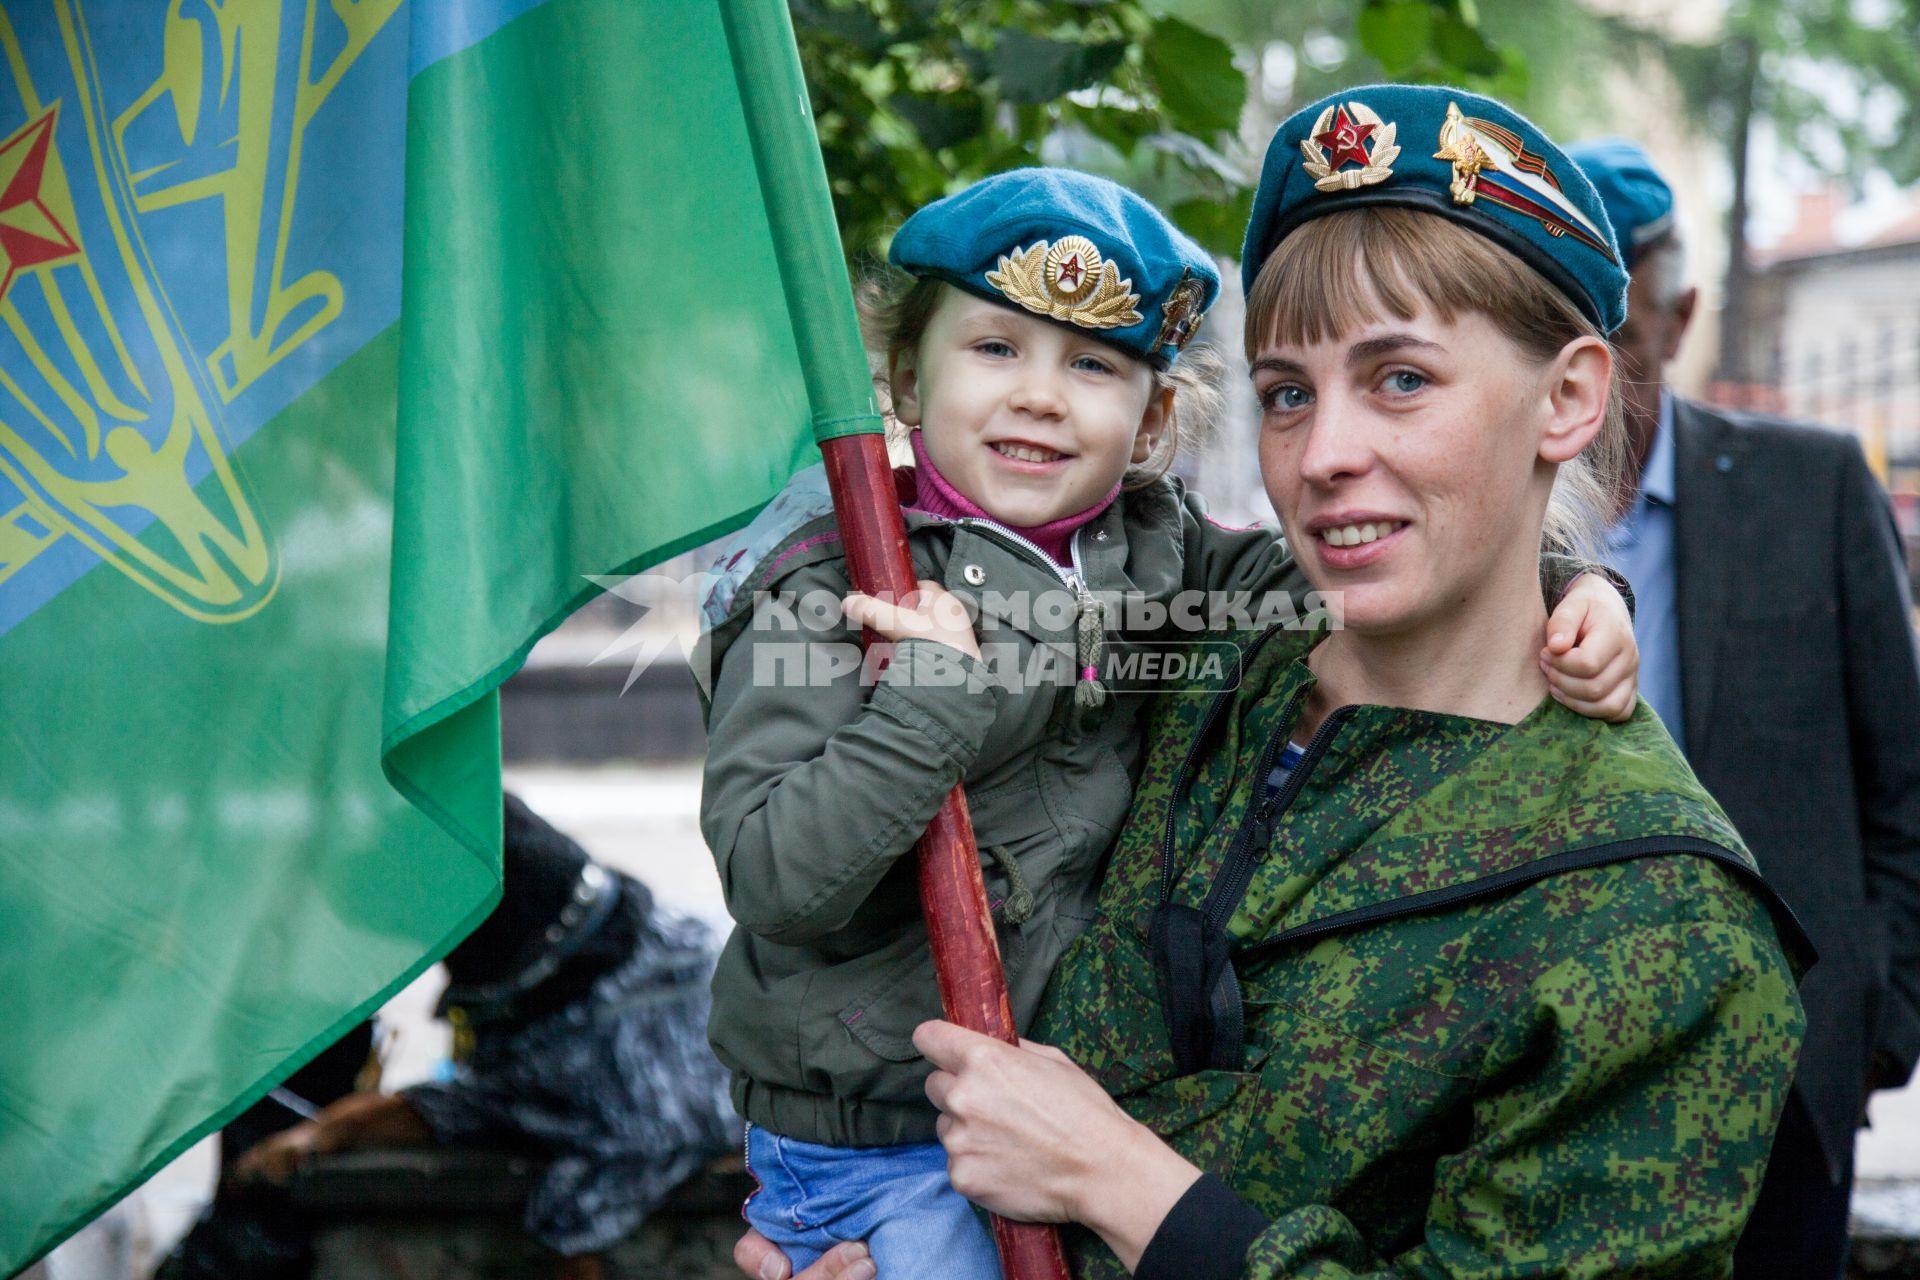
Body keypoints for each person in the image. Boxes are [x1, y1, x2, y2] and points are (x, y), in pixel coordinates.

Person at [736, 85, 1810, 1280]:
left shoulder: (1655, 912)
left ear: (1567, 399)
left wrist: (1120, 1179)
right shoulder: (1207, 651)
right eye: (1289, 392)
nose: (1325, 454)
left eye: (1401, 378)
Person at [1568, 137, 1920, 1280]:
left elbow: (1904, 779)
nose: (1587, 374)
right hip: (1549, 1074)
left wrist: (1880, 1025)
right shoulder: (1486, 519)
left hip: (1785, 1080)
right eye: (1555, 332)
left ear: (1679, 322)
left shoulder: (1810, 487)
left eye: (1616, 335)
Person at [234, 794, 736, 1280]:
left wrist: (570, 1242)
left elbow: (650, 1136)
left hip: (552, 957)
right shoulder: (532, 1011)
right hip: (531, 952)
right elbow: (480, 1100)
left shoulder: (640, 1036)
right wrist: (327, 1133)